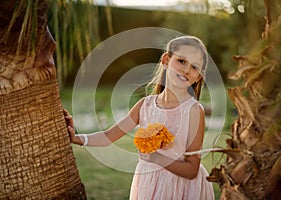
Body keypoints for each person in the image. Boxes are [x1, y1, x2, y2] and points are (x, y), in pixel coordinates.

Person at [64, 35, 215, 199]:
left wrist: (156, 157)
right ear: (166, 60)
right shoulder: (145, 106)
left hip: (180, 187)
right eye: (181, 61)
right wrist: (75, 137)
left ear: (199, 76)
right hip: (148, 181)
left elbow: (192, 170)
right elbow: (108, 137)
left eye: (194, 67)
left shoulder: (193, 110)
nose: (186, 70)